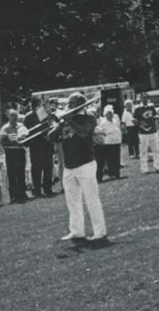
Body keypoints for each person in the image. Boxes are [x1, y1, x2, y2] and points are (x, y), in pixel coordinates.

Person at [48, 92, 107, 243]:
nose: (69, 106)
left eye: (72, 103)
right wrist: (59, 124)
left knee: (91, 199)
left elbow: (84, 133)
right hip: (69, 166)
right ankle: (76, 231)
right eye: (69, 103)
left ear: (80, 104)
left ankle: (100, 232)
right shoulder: (66, 120)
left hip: (85, 164)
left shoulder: (89, 117)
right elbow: (51, 137)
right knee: (72, 201)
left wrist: (70, 121)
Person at [24, 98, 55, 197]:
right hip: (35, 144)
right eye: (37, 104)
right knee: (36, 168)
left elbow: (49, 124)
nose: (39, 106)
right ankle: (37, 190)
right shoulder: (28, 116)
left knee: (48, 167)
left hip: (46, 143)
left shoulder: (43, 114)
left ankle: (48, 188)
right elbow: (25, 131)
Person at [0, 109, 29, 203]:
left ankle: (22, 193)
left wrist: (24, 140)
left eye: (15, 115)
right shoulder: (5, 128)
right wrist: (14, 142)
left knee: (21, 173)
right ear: (8, 116)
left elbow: (27, 137)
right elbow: (2, 142)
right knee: (12, 174)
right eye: (12, 115)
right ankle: (13, 196)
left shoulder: (21, 126)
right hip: (11, 152)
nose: (14, 117)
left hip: (20, 151)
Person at [133, 94, 159, 174]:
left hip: (153, 131)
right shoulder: (137, 109)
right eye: (143, 98)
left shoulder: (151, 107)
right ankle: (144, 168)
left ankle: (157, 166)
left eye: (146, 98)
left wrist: (157, 127)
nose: (145, 99)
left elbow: (155, 118)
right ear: (140, 99)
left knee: (156, 150)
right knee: (144, 151)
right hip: (143, 132)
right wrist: (138, 123)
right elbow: (134, 120)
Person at [94, 105, 122, 181]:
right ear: (105, 115)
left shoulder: (115, 121)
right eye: (108, 114)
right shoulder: (103, 123)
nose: (110, 115)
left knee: (116, 158)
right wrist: (105, 133)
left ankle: (117, 173)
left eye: (111, 113)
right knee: (110, 159)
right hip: (108, 143)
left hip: (116, 141)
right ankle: (111, 173)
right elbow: (97, 130)